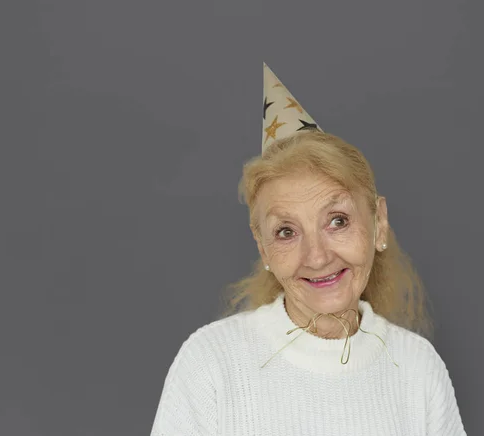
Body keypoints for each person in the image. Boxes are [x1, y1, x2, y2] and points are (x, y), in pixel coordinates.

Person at [149, 63, 467, 436]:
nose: (317, 257)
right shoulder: (211, 363)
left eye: (337, 221)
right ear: (263, 248)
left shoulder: (418, 368)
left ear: (379, 222)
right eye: (286, 231)